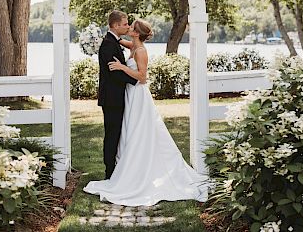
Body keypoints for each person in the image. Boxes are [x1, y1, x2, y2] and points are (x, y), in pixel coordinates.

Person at [84, 18, 211, 206]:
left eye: (131, 26)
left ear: (136, 33)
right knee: (129, 130)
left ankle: (141, 167)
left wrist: (122, 67)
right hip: (129, 95)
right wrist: (102, 37)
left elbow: (142, 78)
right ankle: (128, 167)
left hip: (138, 95)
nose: (128, 27)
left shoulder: (141, 51)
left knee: (139, 129)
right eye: (126, 24)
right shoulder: (133, 45)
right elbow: (117, 42)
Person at [97, 10, 138, 179]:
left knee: (117, 133)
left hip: (117, 96)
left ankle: (115, 167)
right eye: (125, 24)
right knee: (112, 134)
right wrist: (137, 80)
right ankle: (109, 172)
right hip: (112, 98)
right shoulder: (108, 44)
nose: (127, 26)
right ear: (115, 25)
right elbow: (114, 73)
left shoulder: (114, 41)